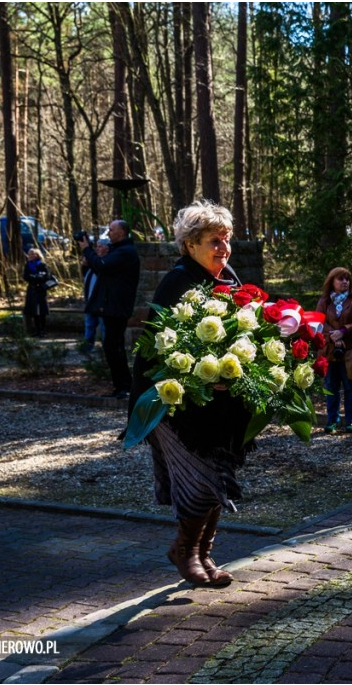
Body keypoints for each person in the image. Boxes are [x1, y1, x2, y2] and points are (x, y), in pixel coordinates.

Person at [129, 200, 245, 587]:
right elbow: (159, 348)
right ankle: (184, 550)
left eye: (227, 240)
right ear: (191, 243)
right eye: (215, 240)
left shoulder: (228, 277)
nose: (223, 248)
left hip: (219, 404)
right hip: (176, 404)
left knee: (216, 478)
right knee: (198, 479)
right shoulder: (178, 281)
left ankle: (203, 554)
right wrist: (195, 375)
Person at [78, 218, 141, 399]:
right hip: (110, 307)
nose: (108, 232)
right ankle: (121, 385)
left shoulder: (126, 252)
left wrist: (87, 249)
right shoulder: (119, 250)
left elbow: (101, 265)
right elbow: (102, 270)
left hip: (116, 308)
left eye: (111, 230)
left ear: (121, 233)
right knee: (112, 347)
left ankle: (124, 386)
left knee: (114, 347)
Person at [315, 267, 352, 434]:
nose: (345, 282)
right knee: (331, 387)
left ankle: (351, 422)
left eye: (347, 279)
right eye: (340, 279)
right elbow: (319, 322)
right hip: (329, 351)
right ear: (332, 282)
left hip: (350, 352)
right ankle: (332, 421)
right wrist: (333, 336)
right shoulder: (324, 302)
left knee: (351, 388)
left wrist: (342, 332)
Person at [81, 237, 109, 353]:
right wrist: (85, 265)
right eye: (96, 246)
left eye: (100, 246)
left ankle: (105, 350)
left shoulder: (106, 262)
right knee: (89, 325)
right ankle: (87, 349)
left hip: (102, 302)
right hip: (90, 301)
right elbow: (85, 275)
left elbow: (99, 271)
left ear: (107, 249)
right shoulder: (94, 262)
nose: (97, 249)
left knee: (104, 327)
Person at [22, 248, 51, 337]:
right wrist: (35, 277)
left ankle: (43, 330)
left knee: (41, 311)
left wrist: (36, 277)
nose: (30, 256)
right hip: (31, 290)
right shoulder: (28, 265)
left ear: (37, 255)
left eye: (32, 254)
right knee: (33, 311)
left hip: (40, 290)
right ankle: (37, 330)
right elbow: (26, 276)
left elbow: (45, 276)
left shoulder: (42, 265)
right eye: (29, 254)